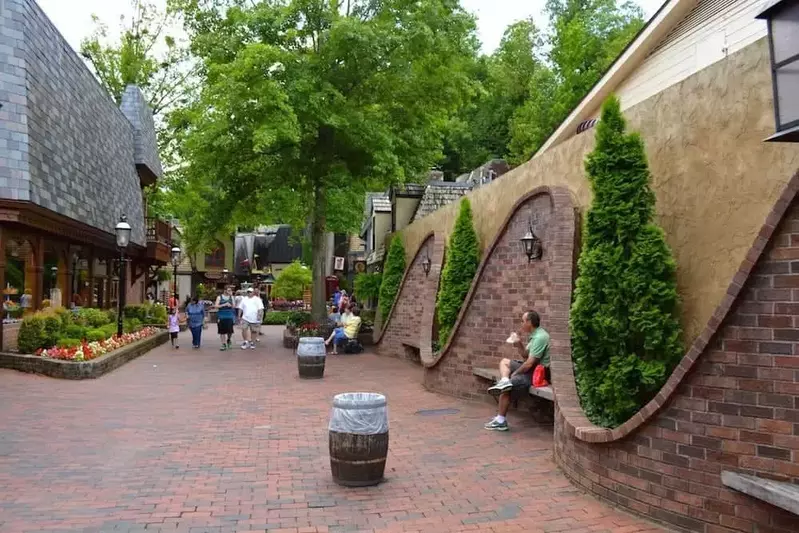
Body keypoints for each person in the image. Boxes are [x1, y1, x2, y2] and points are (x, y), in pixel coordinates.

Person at [484, 310, 550, 432]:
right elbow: (525, 355)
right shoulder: (535, 335)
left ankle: (500, 421)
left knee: (508, 386)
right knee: (504, 362)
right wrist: (518, 342)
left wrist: (515, 373)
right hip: (531, 368)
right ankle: (504, 380)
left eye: (523, 321)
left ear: (529, 322)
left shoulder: (540, 337)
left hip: (537, 373)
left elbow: (529, 364)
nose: (521, 324)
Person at [215, 286, 236, 351]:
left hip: (229, 315)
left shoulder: (231, 297)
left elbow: (234, 306)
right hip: (221, 315)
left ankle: (229, 339)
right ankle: (223, 344)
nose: (229, 291)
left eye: (230, 290)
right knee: (222, 331)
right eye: (228, 290)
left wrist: (231, 304)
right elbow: (216, 306)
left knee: (230, 330)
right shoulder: (219, 297)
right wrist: (224, 304)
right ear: (224, 290)